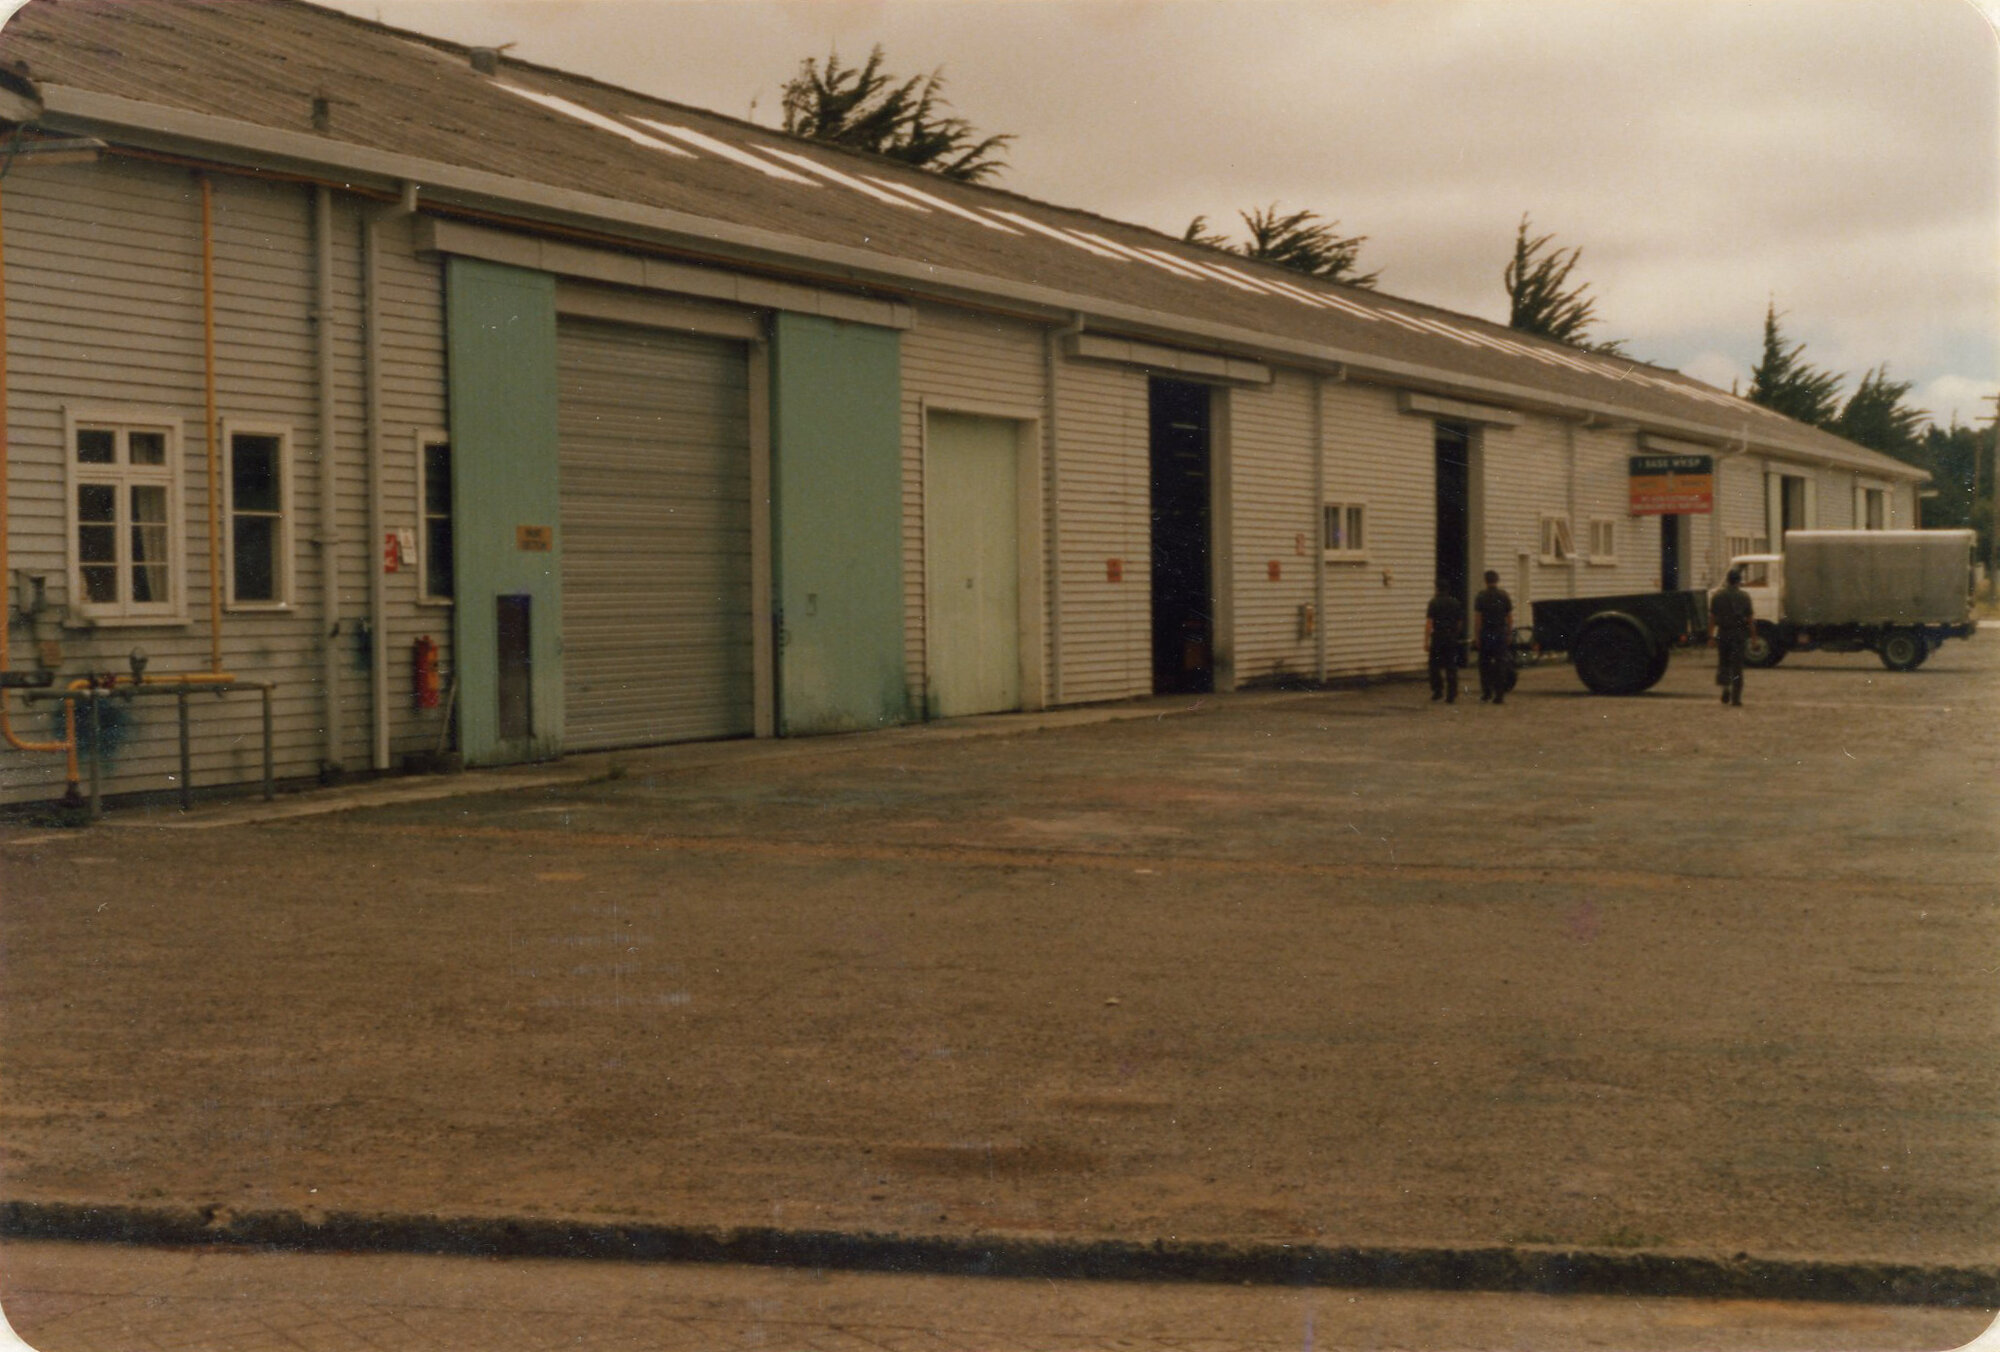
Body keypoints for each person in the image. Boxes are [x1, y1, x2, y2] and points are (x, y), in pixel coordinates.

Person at [1711, 566, 1753, 707]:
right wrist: (1754, 637)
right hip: (1739, 634)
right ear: (1739, 581)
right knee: (1737, 666)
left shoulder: (1717, 596)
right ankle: (1736, 698)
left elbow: (1712, 618)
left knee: (1723, 663)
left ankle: (1725, 688)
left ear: (1728, 580)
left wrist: (1710, 637)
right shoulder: (1745, 597)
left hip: (1723, 633)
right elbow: (1750, 619)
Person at [1472, 570, 1513, 704]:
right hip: (1500, 631)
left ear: (1485, 581)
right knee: (1500, 663)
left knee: (1484, 663)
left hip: (1486, 632)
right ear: (1497, 580)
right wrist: (1509, 633)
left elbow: (1478, 619)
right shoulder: (1504, 596)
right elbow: (1509, 617)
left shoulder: (1481, 596)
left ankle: (1486, 692)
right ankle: (1499, 694)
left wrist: (1477, 636)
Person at [1423, 580, 1464, 703]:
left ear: (1437, 589)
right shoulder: (1455, 602)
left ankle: (1438, 690)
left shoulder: (1434, 602)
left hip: (1438, 636)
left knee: (1434, 665)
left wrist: (1426, 640)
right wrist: (1455, 633)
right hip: (1451, 636)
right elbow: (1460, 621)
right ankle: (1451, 693)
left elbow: (1429, 623)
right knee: (1451, 665)